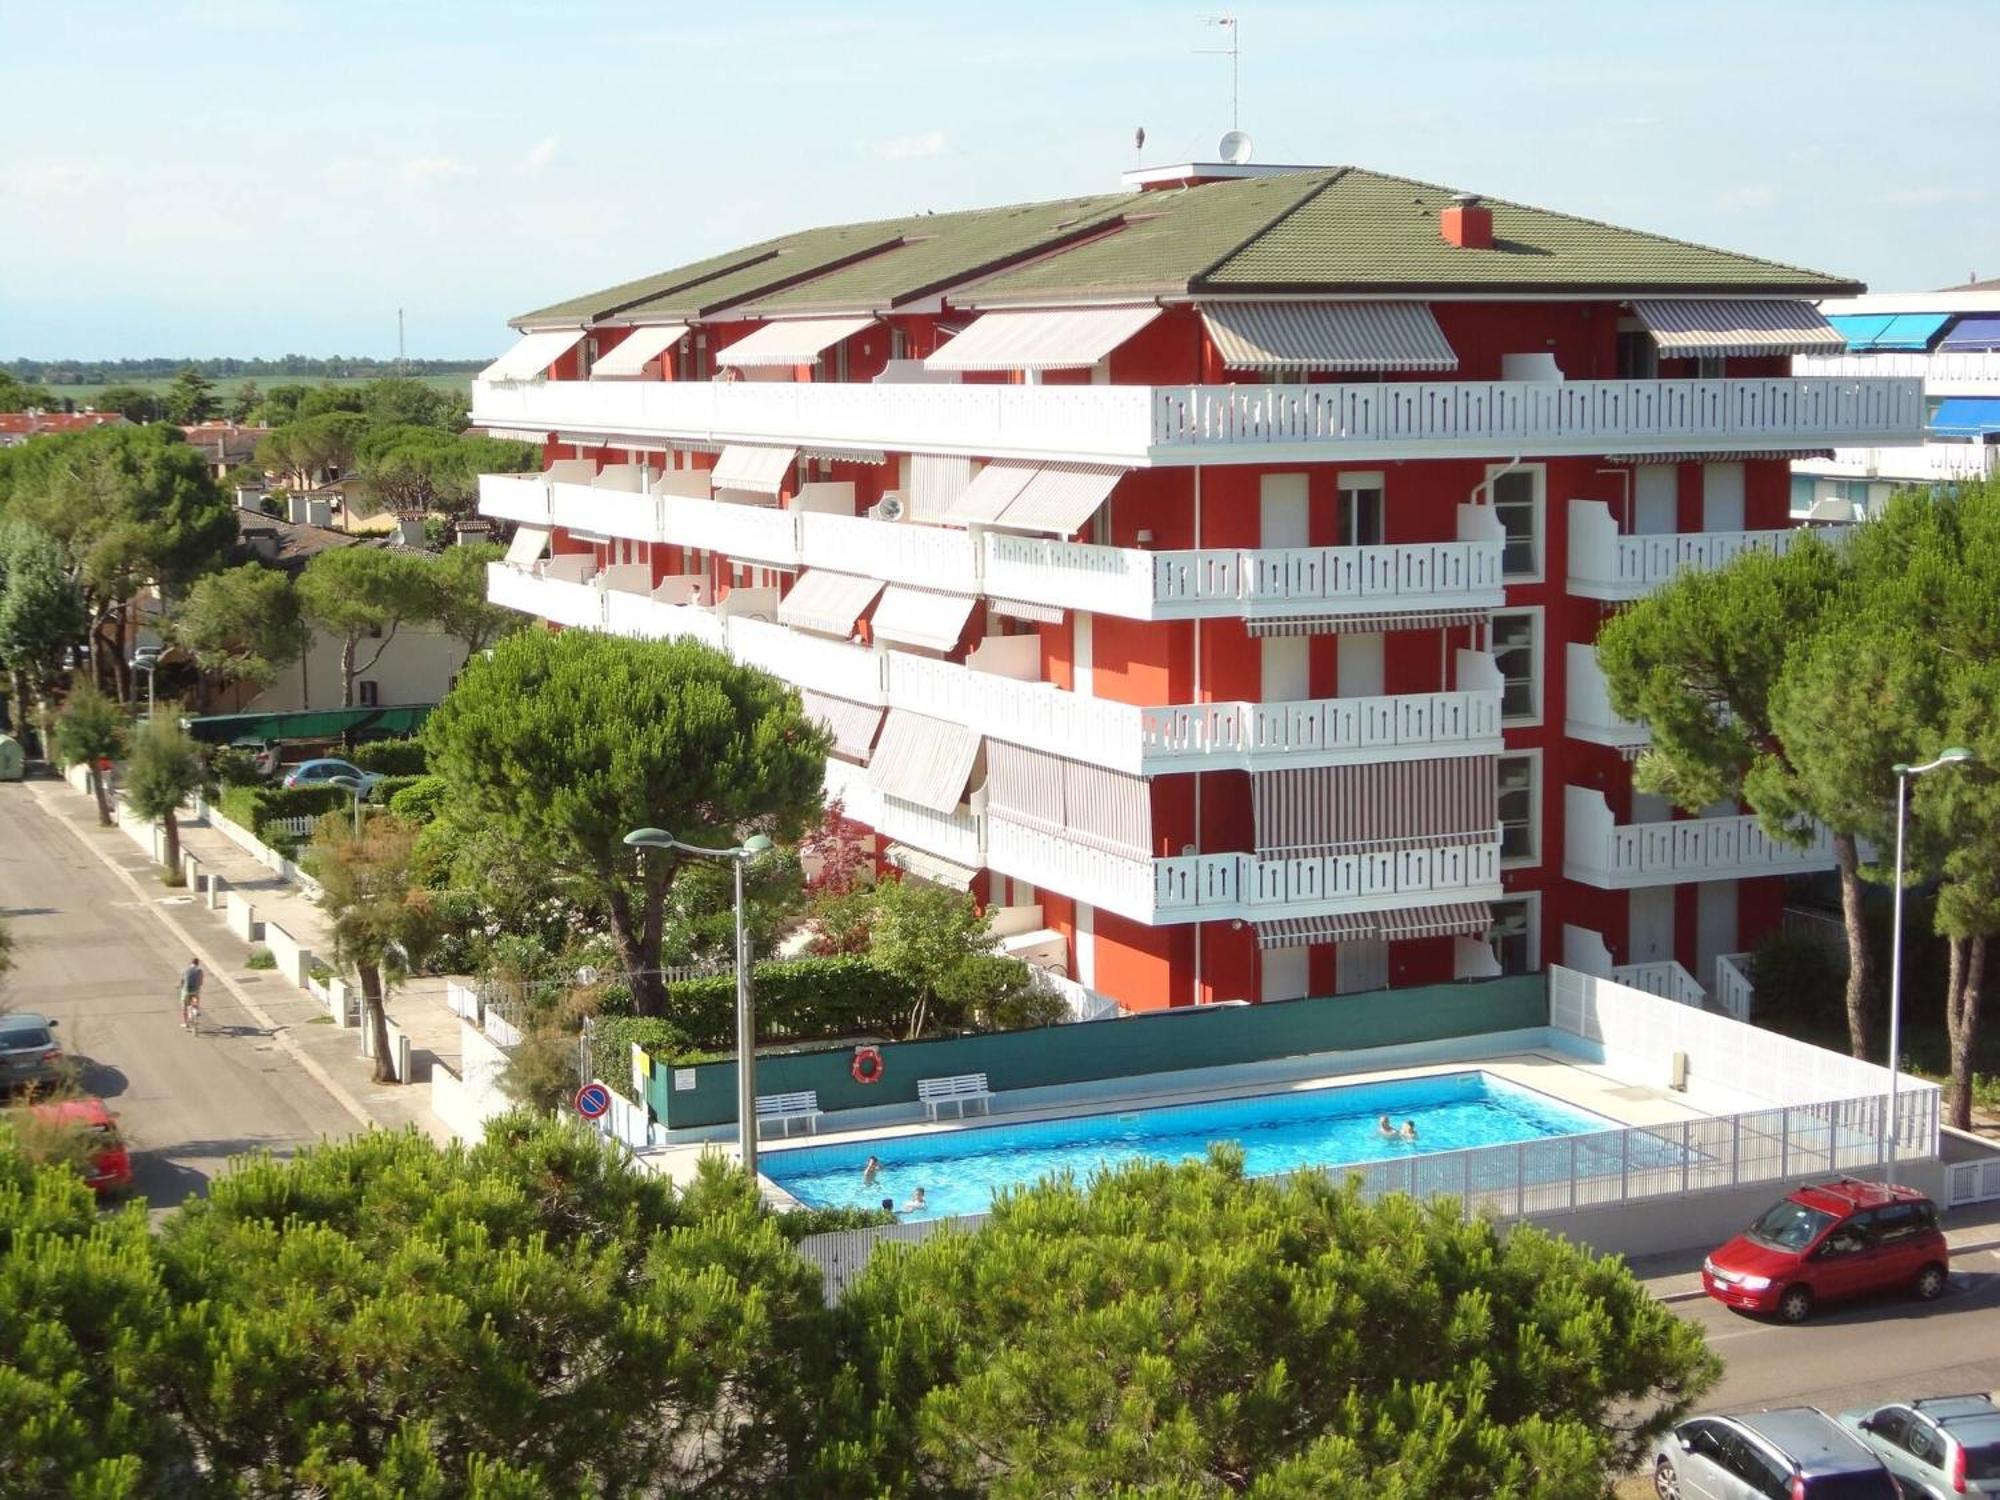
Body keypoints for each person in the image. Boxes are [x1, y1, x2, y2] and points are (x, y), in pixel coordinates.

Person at [179, 956, 205, 1032]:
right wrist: (198, 985)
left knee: (184, 1006)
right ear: (198, 964)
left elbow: (182, 981)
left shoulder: (185, 970)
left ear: (191, 963)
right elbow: (201, 982)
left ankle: (185, 1023)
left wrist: (181, 987)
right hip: (195, 991)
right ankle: (196, 1010)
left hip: (186, 991)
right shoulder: (199, 971)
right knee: (196, 998)